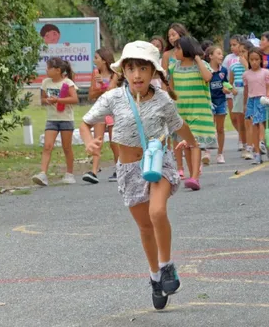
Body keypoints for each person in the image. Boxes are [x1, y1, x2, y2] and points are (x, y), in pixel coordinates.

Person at [80, 42, 198, 310]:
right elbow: (85, 122)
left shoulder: (163, 100)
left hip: (158, 162)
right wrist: (89, 142)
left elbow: (179, 125)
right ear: (123, 70)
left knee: (157, 213)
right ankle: (155, 276)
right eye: (131, 68)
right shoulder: (113, 98)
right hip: (129, 169)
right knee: (145, 227)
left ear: (153, 72)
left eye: (143, 68)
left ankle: (167, 266)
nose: (137, 75)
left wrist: (194, 145)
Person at [169, 35, 215, 189]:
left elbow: (207, 77)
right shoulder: (174, 67)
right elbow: (171, 88)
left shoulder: (202, 66)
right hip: (182, 113)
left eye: (178, 48)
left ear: (187, 49)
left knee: (194, 143)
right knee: (186, 145)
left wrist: (198, 59)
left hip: (199, 111)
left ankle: (195, 177)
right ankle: (192, 174)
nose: (175, 51)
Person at [31, 57, 79, 186]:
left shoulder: (68, 83)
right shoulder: (46, 82)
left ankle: (69, 174)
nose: (46, 70)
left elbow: (74, 99)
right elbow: (42, 99)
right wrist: (47, 100)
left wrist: (58, 100)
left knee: (67, 147)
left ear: (58, 70)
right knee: (47, 146)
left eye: (49, 68)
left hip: (66, 119)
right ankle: (43, 174)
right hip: (51, 119)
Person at [88, 48, 120, 183]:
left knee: (114, 142)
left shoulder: (115, 75)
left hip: (112, 110)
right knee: (97, 140)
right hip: (99, 109)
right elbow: (91, 95)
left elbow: (111, 91)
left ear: (104, 60)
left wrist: (102, 84)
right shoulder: (94, 74)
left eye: (96, 58)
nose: (94, 61)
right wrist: (99, 88)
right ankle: (94, 171)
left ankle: (119, 169)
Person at [242, 49, 269, 165]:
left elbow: (268, 87)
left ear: (261, 60)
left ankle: (268, 145)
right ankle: (257, 154)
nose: (254, 62)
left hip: (263, 100)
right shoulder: (246, 74)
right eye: (251, 60)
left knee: (266, 125)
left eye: (256, 59)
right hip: (252, 101)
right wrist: (245, 104)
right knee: (254, 125)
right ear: (248, 60)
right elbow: (246, 91)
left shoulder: (266, 72)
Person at [206, 44, 230, 164]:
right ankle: (207, 152)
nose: (221, 56)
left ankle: (220, 154)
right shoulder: (205, 69)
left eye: (222, 53)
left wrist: (227, 89)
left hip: (221, 101)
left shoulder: (224, 70)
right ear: (210, 56)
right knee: (209, 128)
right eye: (218, 53)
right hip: (208, 101)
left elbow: (226, 85)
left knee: (220, 129)